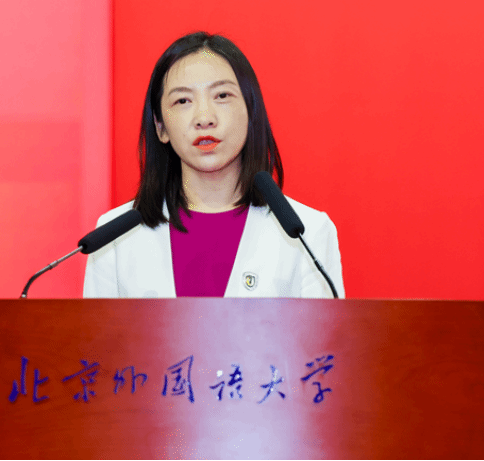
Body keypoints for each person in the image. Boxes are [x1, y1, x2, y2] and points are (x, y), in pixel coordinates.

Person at [83, 31, 344, 298]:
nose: (204, 117)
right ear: (160, 127)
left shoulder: (308, 233)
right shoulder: (111, 238)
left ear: (251, 112)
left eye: (222, 95)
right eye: (183, 101)